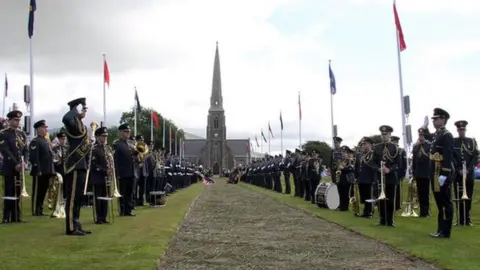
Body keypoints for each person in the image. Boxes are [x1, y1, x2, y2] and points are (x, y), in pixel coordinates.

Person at [62, 97, 92, 236]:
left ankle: (77, 224)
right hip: (74, 164)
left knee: (78, 198)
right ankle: (71, 227)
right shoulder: (72, 122)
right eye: (82, 108)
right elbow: (66, 118)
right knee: (73, 198)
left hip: (81, 164)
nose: (84, 112)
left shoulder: (79, 124)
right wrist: (75, 110)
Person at [429, 108, 454, 238]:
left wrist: (445, 173)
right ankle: (440, 229)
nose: (434, 121)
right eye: (433, 119)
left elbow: (448, 155)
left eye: (436, 118)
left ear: (443, 119)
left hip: (442, 173)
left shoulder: (446, 135)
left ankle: (445, 231)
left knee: (445, 202)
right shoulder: (437, 134)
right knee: (440, 203)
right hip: (435, 173)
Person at [0, 110, 28, 224]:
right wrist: (16, 163)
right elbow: (5, 151)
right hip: (9, 167)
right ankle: (6, 216)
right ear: (9, 121)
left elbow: (25, 150)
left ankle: (17, 216)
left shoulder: (21, 134)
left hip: (19, 167)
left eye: (18, 120)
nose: (17, 122)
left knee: (18, 191)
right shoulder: (3, 134)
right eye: (15, 120)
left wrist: (24, 162)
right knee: (9, 192)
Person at [372, 125, 401, 227]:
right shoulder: (377, 147)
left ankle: (390, 221)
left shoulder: (395, 148)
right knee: (381, 200)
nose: (383, 136)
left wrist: (389, 169)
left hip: (391, 177)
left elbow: (398, 163)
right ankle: (382, 220)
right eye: (382, 134)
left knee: (390, 200)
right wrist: (378, 169)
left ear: (390, 135)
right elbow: (373, 162)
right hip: (380, 177)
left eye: (385, 134)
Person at [453, 120, 478, 226]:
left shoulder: (472, 141)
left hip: (469, 173)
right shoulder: (454, 141)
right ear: (457, 130)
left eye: (462, 130)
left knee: (469, 196)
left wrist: (468, 169)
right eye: (459, 130)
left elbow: (475, 157)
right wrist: (458, 169)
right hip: (458, 173)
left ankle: (467, 219)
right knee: (458, 196)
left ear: (465, 130)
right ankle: (460, 219)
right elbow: (452, 157)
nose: (461, 132)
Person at [29, 120, 54, 216]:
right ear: (39, 129)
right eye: (44, 128)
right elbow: (34, 157)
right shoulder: (36, 141)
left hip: (47, 170)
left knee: (43, 191)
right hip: (40, 171)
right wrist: (38, 169)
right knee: (37, 191)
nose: (46, 129)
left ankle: (40, 209)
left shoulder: (45, 141)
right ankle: (35, 209)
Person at [113, 124, 138, 216]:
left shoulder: (129, 143)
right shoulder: (117, 144)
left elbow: (131, 158)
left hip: (131, 171)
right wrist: (117, 173)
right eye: (126, 132)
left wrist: (136, 155)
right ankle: (122, 210)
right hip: (122, 172)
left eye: (129, 132)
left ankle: (128, 210)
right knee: (122, 192)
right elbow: (115, 159)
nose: (128, 133)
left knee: (129, 192)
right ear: (121, 132)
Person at [90, 127, 111, 224]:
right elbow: (94, 165)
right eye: (103, 136)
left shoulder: (106, 148)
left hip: (106, 177)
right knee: (98, 198)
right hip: (98, 177)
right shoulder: (94, 149)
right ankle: (99, 217)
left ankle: (104, 216)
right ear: (98, 137)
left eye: (106, 136)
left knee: (105, 197)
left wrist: (110, 169)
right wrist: (104, 170)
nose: (105, 138)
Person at [411, 128, 432, 217]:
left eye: (422, 135)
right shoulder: (416, 147)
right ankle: (422, 211)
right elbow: (414, 161)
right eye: (419, 135)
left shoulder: (429, 146)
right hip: (418, 173)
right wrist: (413, 172)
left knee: (425, 193)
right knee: (420, 193)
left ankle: (425, 212)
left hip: (426, 172)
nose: (420, 137)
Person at [357, 137, 375, 218]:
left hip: (369, 178)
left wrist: (374, 179)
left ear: (370, 144)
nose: (363, 146)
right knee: (364, 197)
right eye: (363, 144)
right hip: (362, 178)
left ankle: (369, 212)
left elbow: (374, 168)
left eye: (365, 144)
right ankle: (365, 211)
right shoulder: (362, 155)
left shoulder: (372, 154)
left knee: (369, 196)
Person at [390, 136, 407, 211]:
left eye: (395, 142)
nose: (394, 143)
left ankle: (397, 205)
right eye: (392, 141)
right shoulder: (389, 150)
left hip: (398, 172)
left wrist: (403, 173)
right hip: (391, 172)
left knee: (398, 190)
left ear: (397, 142)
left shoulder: (401, 151)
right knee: (390, 189)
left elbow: (404, 163)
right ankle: (391, 204)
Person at [52, 129, 68, 199]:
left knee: (66, 187)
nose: (63, 140)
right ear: (59, 139)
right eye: (62, 139)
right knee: (58, 186)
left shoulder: (68, 148)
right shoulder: (55, 148)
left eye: (65, 139)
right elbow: (53, 160)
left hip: (66, 171)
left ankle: (64, 199)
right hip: (58, 170)